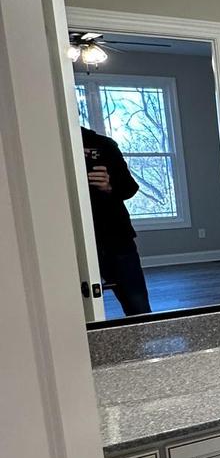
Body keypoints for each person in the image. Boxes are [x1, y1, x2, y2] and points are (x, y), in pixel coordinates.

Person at [81, 125, 152, 316]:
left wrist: (109, 186)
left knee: (137, 303)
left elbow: (130, 188)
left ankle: (143, 340)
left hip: (115, 235)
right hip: (72, 239)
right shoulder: (49, 148)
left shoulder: (104, 145)